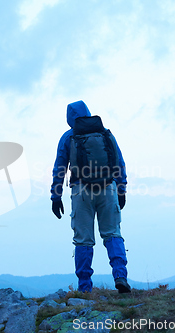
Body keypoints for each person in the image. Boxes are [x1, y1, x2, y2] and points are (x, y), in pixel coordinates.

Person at [50, 100, 131, 293]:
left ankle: (85, 287)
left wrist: (56, 196)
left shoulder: (68, 137)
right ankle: (120, 276)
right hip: (108, 188)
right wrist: (121, 190)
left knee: (83, 240)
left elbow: (59, 168)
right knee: (112, 234)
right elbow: (119, 163)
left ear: (69, 118)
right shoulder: (105, 134)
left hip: (81, 191)